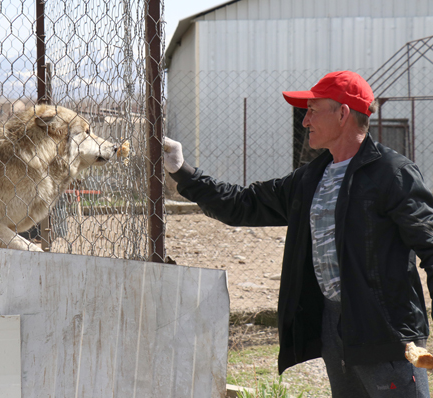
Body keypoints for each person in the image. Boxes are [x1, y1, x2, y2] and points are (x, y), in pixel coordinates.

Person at [164, 70, 433, 397]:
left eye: (313, 110)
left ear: (343, 113)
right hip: (335, 327)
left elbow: (430, 244)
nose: (305, 121)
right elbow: (244, 203)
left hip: (385, 332)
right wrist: (182, 171)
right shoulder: (310, 178)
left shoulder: (393, 173)